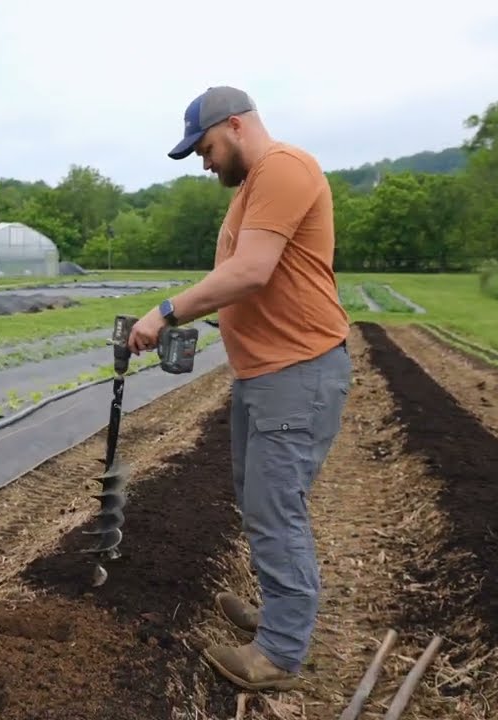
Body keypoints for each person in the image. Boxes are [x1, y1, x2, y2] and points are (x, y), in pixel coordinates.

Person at [127, 86, 352, 692]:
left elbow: (253, 271)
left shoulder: (283, 167)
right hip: (266, 374)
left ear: (234, 125)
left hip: (298, 370)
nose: (203, 162)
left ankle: (279, 652)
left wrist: (168, 311)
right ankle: (279, 615)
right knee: (258, 500)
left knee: (277, 509)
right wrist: (200, 316)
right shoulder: (252, 190)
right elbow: (237, 278)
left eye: (204, 148)